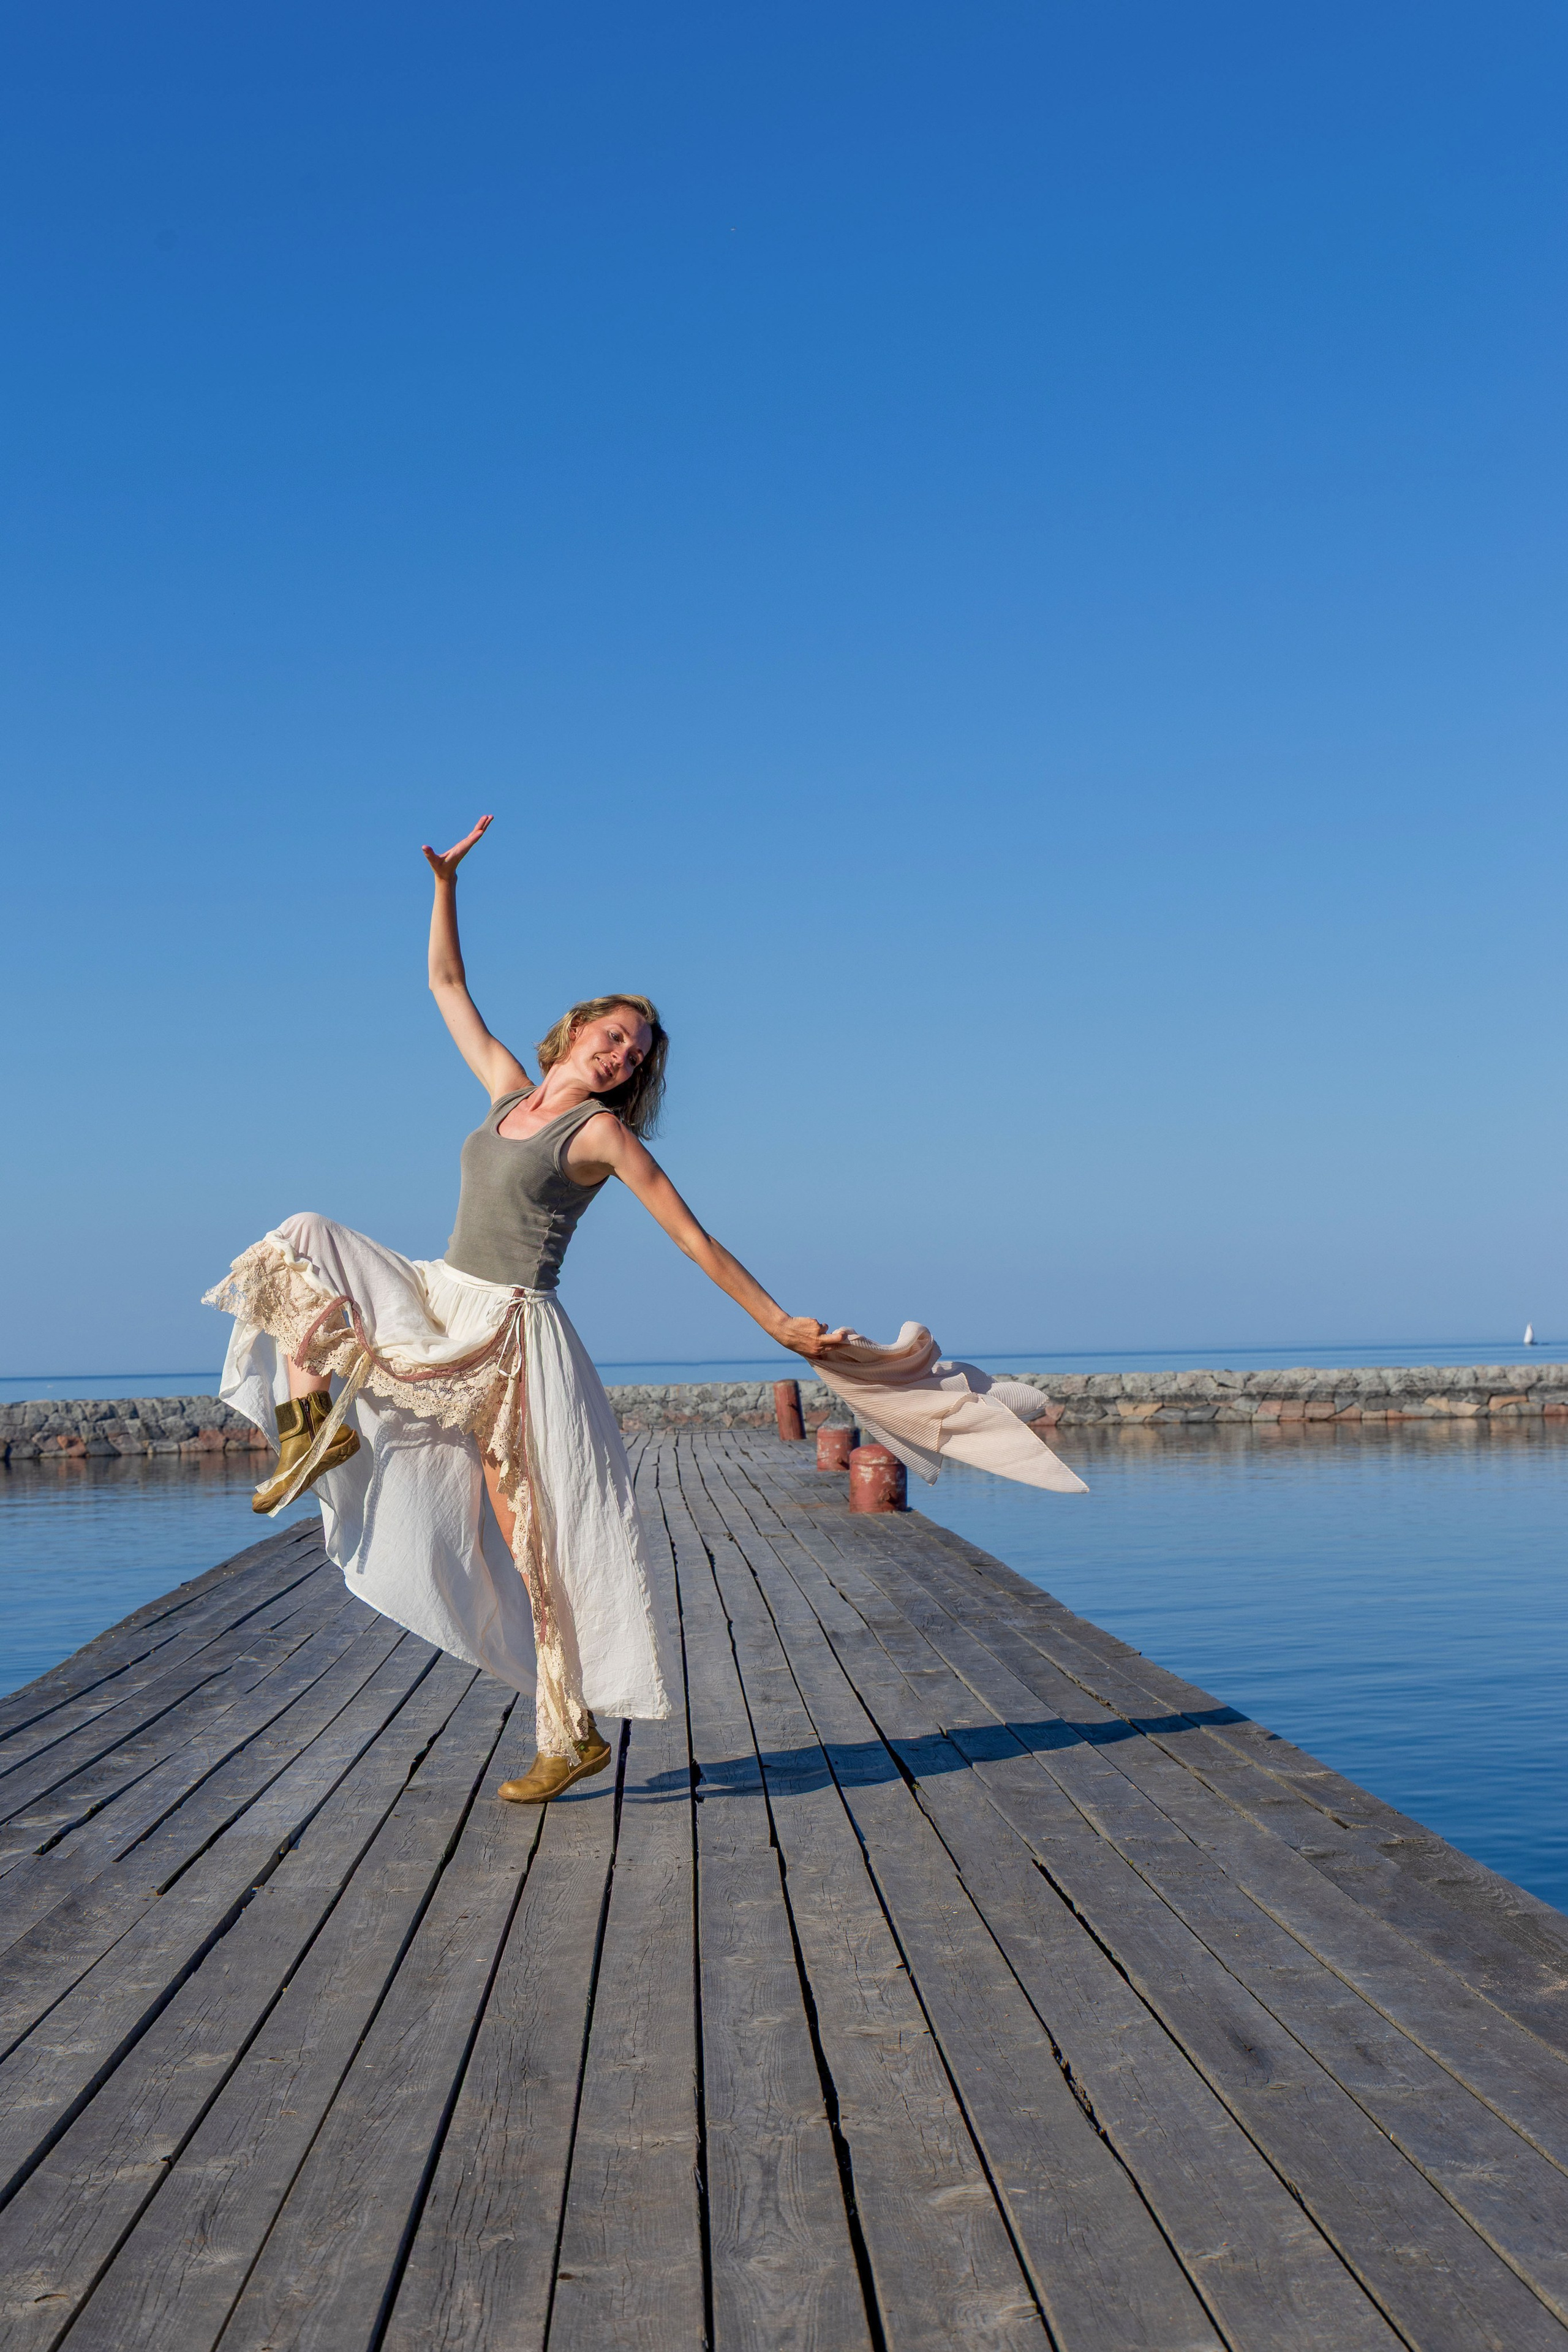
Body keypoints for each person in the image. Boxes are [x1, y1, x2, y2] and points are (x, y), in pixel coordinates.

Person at [205, 815, 845, 1803]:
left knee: (530, 1538)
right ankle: (307, 1433)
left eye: (637, 1054)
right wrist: (446, 887)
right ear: (575, 1029)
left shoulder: (600, 1138)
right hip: (439, 1297)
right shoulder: (509, 1094)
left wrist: (778, 1323)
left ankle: (570, 1729)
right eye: (614, 1034)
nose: (623, 1054)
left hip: (509, 1336)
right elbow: (447, 989)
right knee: (300, 1238)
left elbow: (692, 1237)